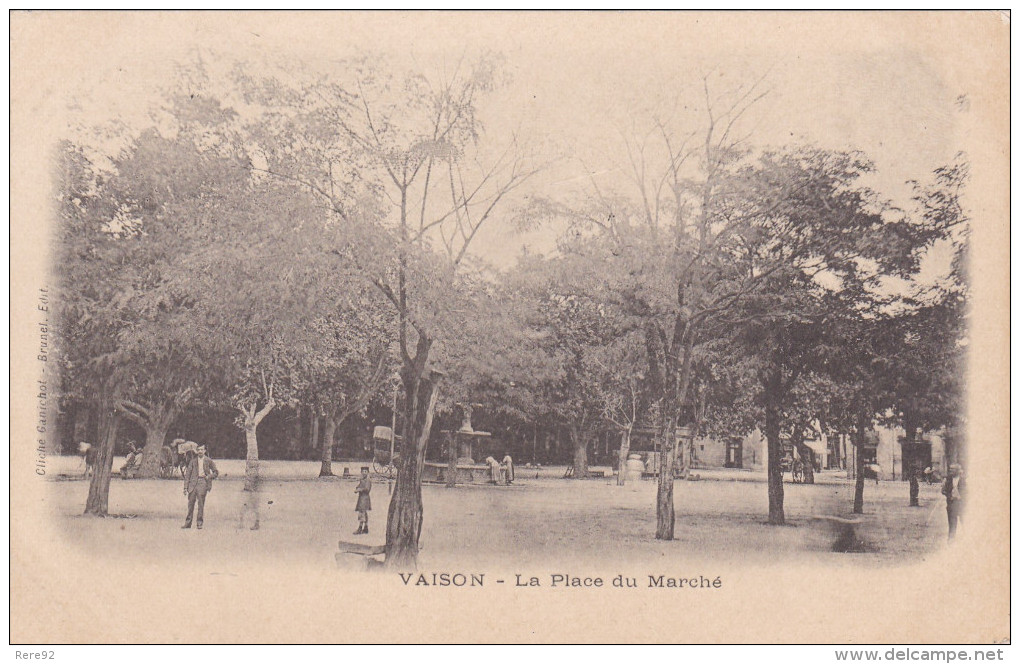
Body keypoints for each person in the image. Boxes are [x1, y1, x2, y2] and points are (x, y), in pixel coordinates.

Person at [182, 444, 219, 530]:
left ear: (205, 451)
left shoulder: (208, 461)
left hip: (203, 483)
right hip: (193, 484)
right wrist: (185, 487)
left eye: (201, 450)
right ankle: (188, 523)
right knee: (190, 504)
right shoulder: (193, 461)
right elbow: (187, 475)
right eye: (198, 450)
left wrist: (208, 476)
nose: (200, 451)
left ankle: (199, 523)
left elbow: (216, 472)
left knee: (201, 504)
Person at [941, 463, 965, 540]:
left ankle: (967, 538)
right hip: (951, 503)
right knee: (952, 524)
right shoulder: (947, 479)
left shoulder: (963, 479)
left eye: (953, 469)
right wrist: (949, 496)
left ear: (958, 470)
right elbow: (943, 491)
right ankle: (951, 540)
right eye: (950, 469)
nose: (950, 470)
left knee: (965, 522)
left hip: (962, 504)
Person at [353, 467, 372, 535]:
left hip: (365, 498)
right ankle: (366, 527)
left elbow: (367, 489)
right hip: (361, 498)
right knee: (364, 512)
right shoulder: (362, 479)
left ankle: (360, 528)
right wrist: (357, 488)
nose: (364, 473)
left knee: (362, 512)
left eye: (365, 471)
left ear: (368, 472)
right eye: (363, 471)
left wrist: (359, 489)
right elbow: (359, 485)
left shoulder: (368, 480)